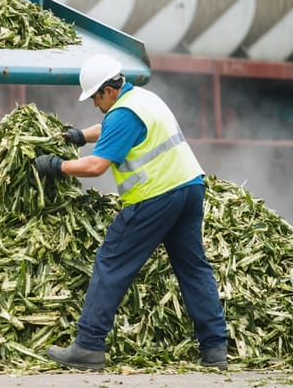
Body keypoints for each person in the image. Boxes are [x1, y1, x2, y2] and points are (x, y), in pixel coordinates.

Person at [34, 53, 228, 371]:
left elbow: (96, 166)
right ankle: (215, 350)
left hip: (155, 197)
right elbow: (110, 127)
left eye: (95, 98)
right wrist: (80, 136)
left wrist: (57, 166)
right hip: (190, 188)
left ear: (108, 91)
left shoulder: (122, 114)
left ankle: (88, 347)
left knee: (111, 264)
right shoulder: (142, 99)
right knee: (194, 269)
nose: (95, 104)